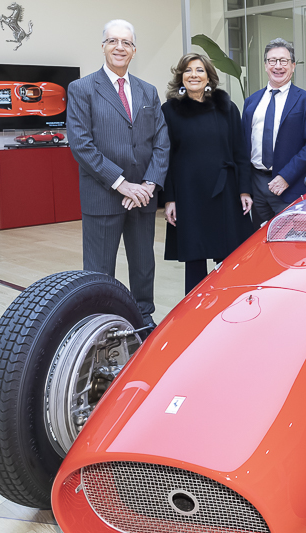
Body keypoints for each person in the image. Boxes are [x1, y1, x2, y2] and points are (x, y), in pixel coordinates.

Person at [67, 19, 169, 328]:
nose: (119, 47)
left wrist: (148, 185)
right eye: (113, 41)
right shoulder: (82, 88)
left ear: (134, 50)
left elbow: (161, 141)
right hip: (104, 195)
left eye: (126, 42)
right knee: (99, 270)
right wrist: (123, 184)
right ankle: (98, 321)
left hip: (142, 197)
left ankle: (143, 318)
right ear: (103, 47)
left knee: (142, 265)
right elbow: (81, 145)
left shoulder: (148, 91)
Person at [161, 53, 254, 294]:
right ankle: (195, 312)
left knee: (229, 255)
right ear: (181, 77)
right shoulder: (169, 111)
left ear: (209, 77)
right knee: (195, 256)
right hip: (188, 194)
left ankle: (229, 302)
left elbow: (240, 152)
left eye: (200, 70)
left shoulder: (227, 108)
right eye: (188, 70)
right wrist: (169, 199)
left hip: (226, 192)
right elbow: (165, 158)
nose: (194, 75)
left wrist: (245, 189)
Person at [242, 38, 306, 226]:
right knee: (259, 242)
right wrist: (245, 188)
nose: (278, 66)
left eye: (283, 61)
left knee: (291, 243)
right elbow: (244, 145)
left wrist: (286, 176)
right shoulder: (251, 102)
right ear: (265, 65)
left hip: (290, 185)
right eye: (272, 61)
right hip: (256, 185)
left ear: (293, 66)